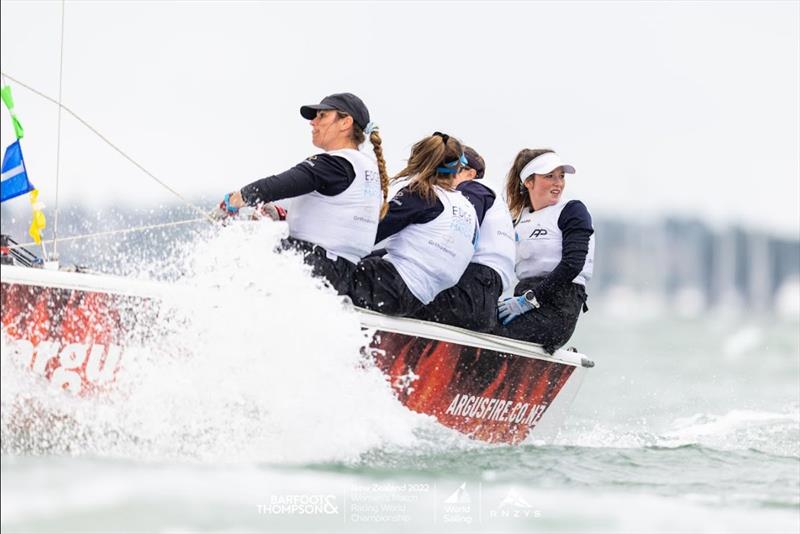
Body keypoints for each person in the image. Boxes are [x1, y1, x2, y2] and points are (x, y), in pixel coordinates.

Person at [220, 93, 389, 294]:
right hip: (342, 272)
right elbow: (338, 214)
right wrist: (282, 215)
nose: (312, 122)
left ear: (345, 123)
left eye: (322, 116)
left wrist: (236, 199)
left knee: (240, 248)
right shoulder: (367, 168)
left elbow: (279, 185)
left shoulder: (336, 163)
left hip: (316, 264)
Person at [347, 132, 480, 317]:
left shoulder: (423, 194)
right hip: (418, 300)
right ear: (458, 167)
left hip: (391, 283)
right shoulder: (469, 210)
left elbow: (370, 233)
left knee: (318, 264)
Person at [494, 149, 594, 354]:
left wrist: (530, 299)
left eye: (561, 176)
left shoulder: (572, 211)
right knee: (473, 320)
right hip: (522, 300)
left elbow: (573, 265)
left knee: (489, 331)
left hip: (558, 308)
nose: (558, 182)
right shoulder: (516, 220)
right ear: (528, 182)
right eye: (550, 176)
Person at [412, 146, 516, 332]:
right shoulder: (495, 201)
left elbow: (455, 238)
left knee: (401, 297)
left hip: (473, 289)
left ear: (470, 173)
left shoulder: (473, 188)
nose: (446, 175)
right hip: (486, 298)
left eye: (454, 169)